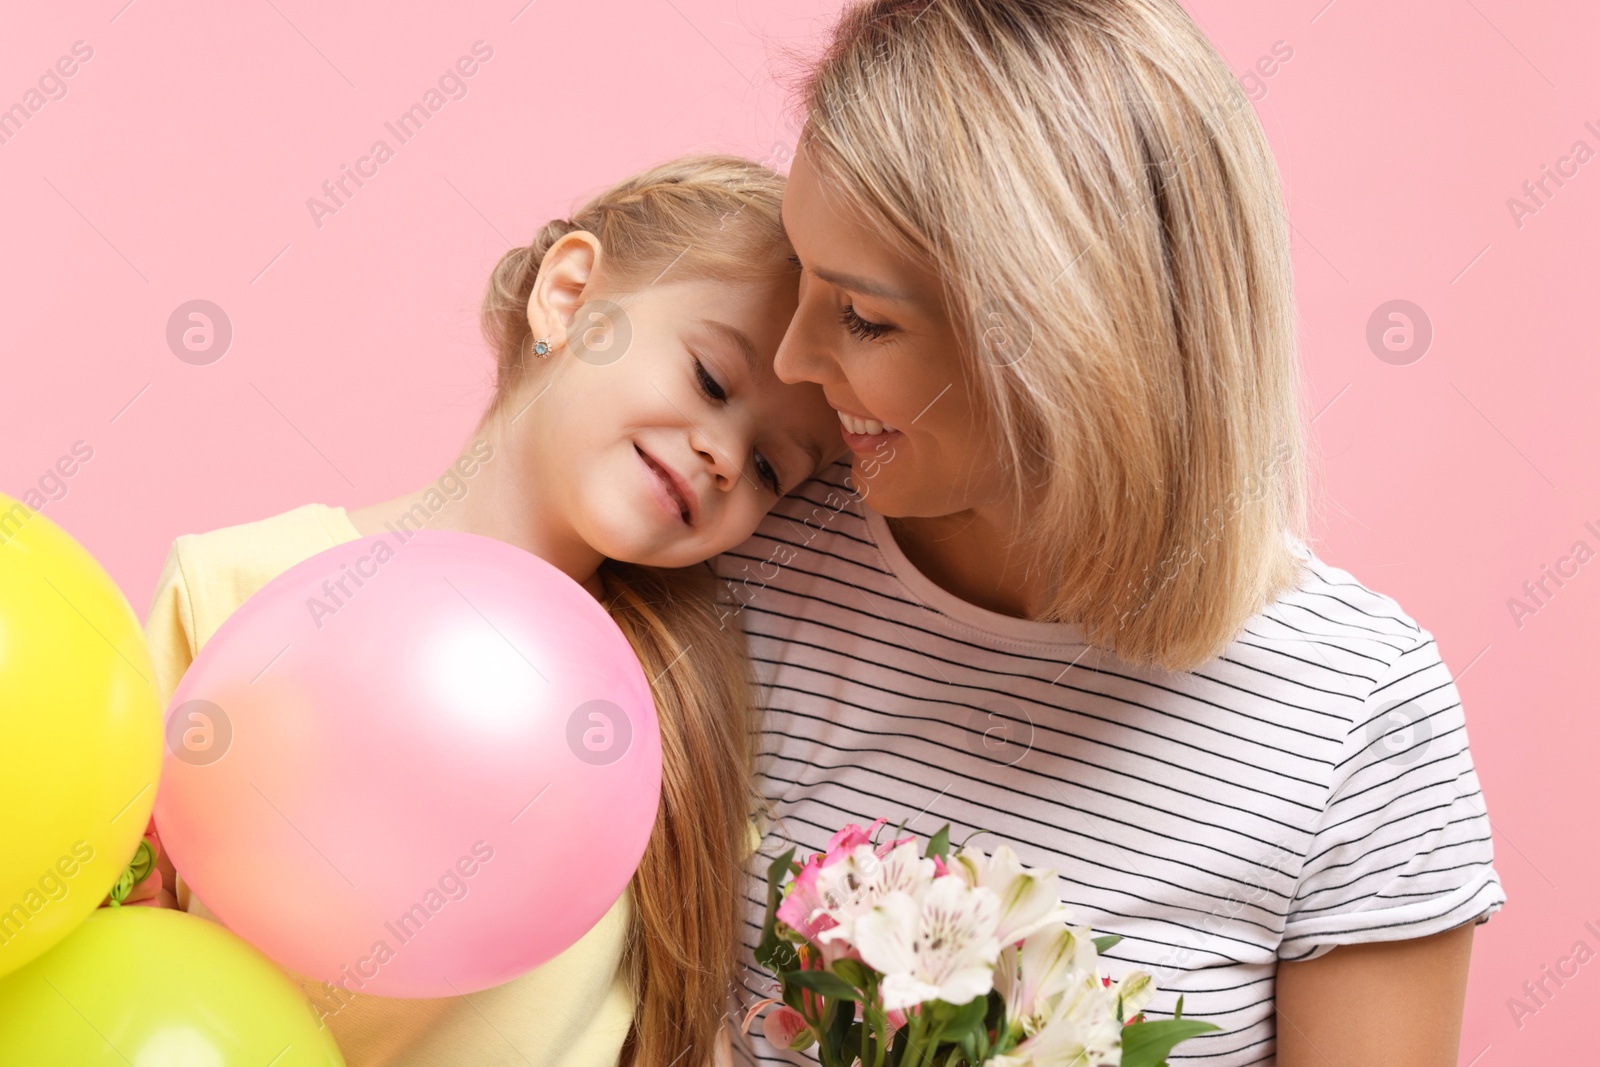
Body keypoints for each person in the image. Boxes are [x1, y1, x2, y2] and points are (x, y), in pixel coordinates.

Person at [715, 2, 1505, 1064]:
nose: (792, 361)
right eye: (797, 279)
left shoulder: (1358, 714)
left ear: (1068, 338)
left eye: (864, 317)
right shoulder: (748, 562)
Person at [140, 155, 846, 1067]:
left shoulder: (674, 717)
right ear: (570, 295)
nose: (723, 456)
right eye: (712, 380)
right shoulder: (235, 588)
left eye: (768, 470)